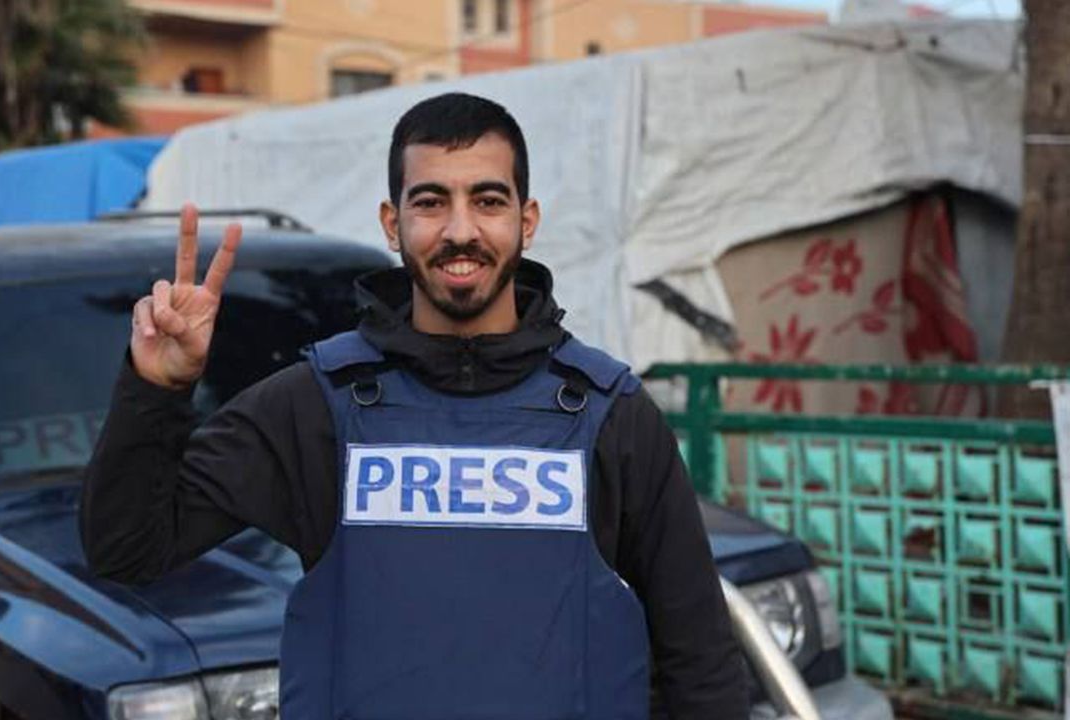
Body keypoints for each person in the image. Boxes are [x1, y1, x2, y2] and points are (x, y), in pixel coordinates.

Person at [81, 92, 748, 719]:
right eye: (430, 202)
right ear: (392, 223)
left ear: (527, 220)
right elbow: (128, 548)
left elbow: (699, 658)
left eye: (488, 200)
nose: (460, 230)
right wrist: (157, 387)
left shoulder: (612, 414)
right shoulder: (315, 405)